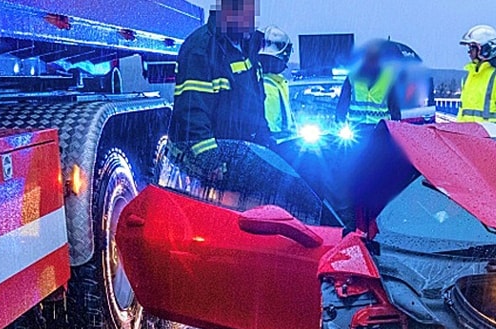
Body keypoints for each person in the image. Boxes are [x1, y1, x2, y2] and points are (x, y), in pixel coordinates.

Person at [165, 1, 321, 220]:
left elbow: (255, 109)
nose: (251, 21)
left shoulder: (247, 49)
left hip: (239, 161)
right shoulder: (200, 49)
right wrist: (211, 161)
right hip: (209, 171)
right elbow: (192, 113)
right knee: (216, 227)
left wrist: (269, 147)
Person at [456, 25, 496, 123]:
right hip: (467, 137)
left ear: (485, 49)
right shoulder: (469, 77)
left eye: (472, 47)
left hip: (489, 136)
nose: (469, 52)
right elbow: (462, 112)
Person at [336, 39, 402, 125]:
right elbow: (344, 99)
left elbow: (393, 103)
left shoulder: (388, 77)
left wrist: (396, 123)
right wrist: (339, 120)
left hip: (379, 126)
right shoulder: (353, 75)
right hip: (356, 126)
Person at [259, 25, 294, 139]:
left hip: (277, 141)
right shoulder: (270, 86)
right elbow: (271, 123)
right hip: (276, 143)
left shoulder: (276, 82)